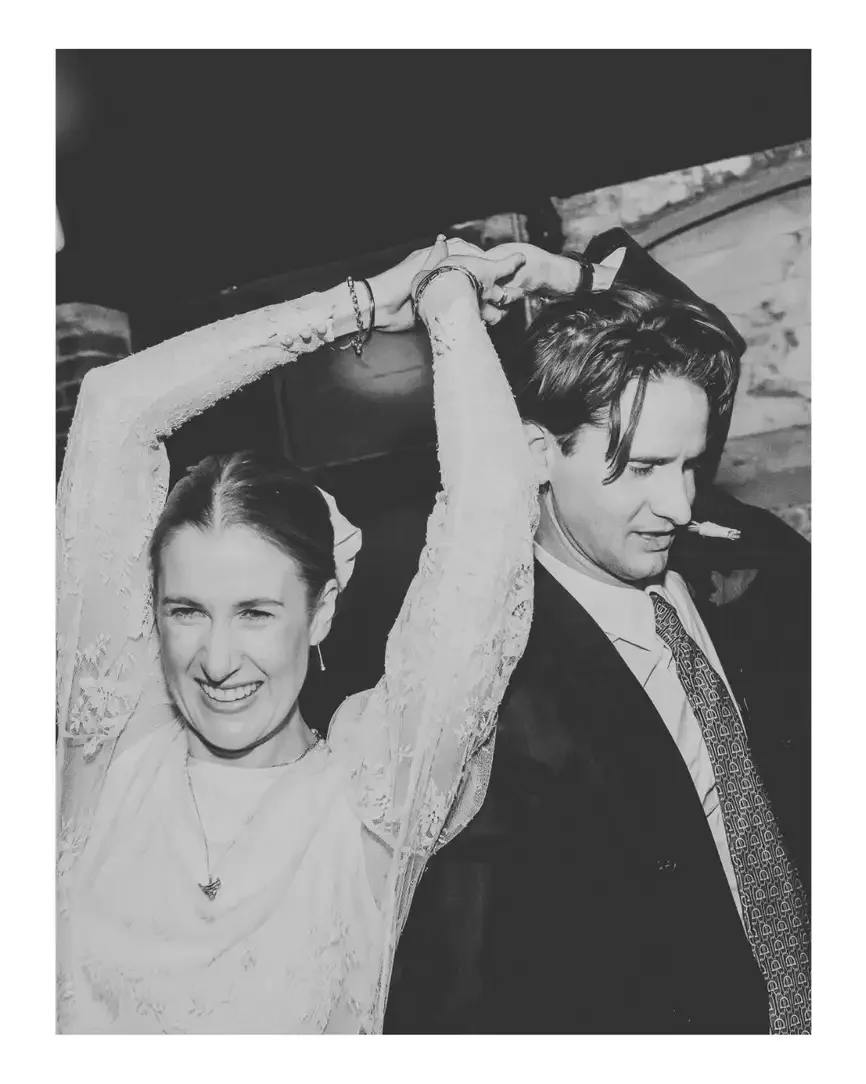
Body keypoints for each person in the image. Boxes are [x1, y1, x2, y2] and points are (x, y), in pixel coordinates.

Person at [56, 235, 555, 1034]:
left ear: (321, 611)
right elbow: (114, 407)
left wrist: (448, 300)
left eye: (255, 611)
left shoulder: (371, 795)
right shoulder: (109, 753)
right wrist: (359, 303)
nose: (216, 661)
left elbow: (490, 529)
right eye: (186, 610)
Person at [388, 229, 811, 1035]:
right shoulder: (502, 685)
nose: (682, 504)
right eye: (643, 469)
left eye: (691, 464)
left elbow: (710, 344)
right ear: (540, 454)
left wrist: (573, 276)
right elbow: (480, 983)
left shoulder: (738, 563)